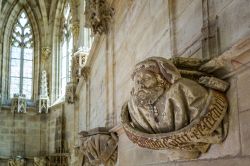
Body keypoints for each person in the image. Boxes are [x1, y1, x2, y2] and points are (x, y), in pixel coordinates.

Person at [128, 57, 209, 134]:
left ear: (160, 79)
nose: (141, 85)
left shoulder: (182, 88)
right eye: (137, 81)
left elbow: (204, 111)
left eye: (146, 79)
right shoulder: (134, 106)